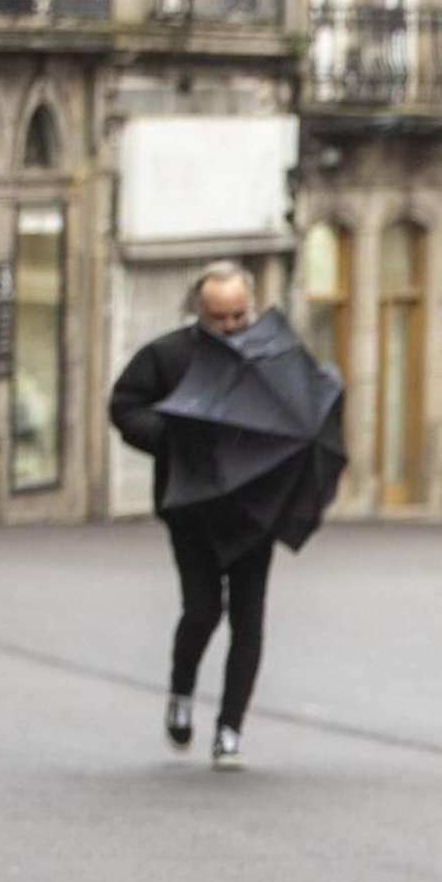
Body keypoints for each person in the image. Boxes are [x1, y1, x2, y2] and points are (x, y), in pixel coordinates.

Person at [109, 261, 270, 771]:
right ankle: (181, 694)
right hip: (190, 507)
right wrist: (173, 437)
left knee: (248, 618)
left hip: (254, 507)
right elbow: (124, 407)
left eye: (238, 315)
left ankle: (229, 731)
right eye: (218, 317)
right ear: (198, 311)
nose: (230, 326)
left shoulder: (270, 357)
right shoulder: (167, 355)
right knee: (201, 609)